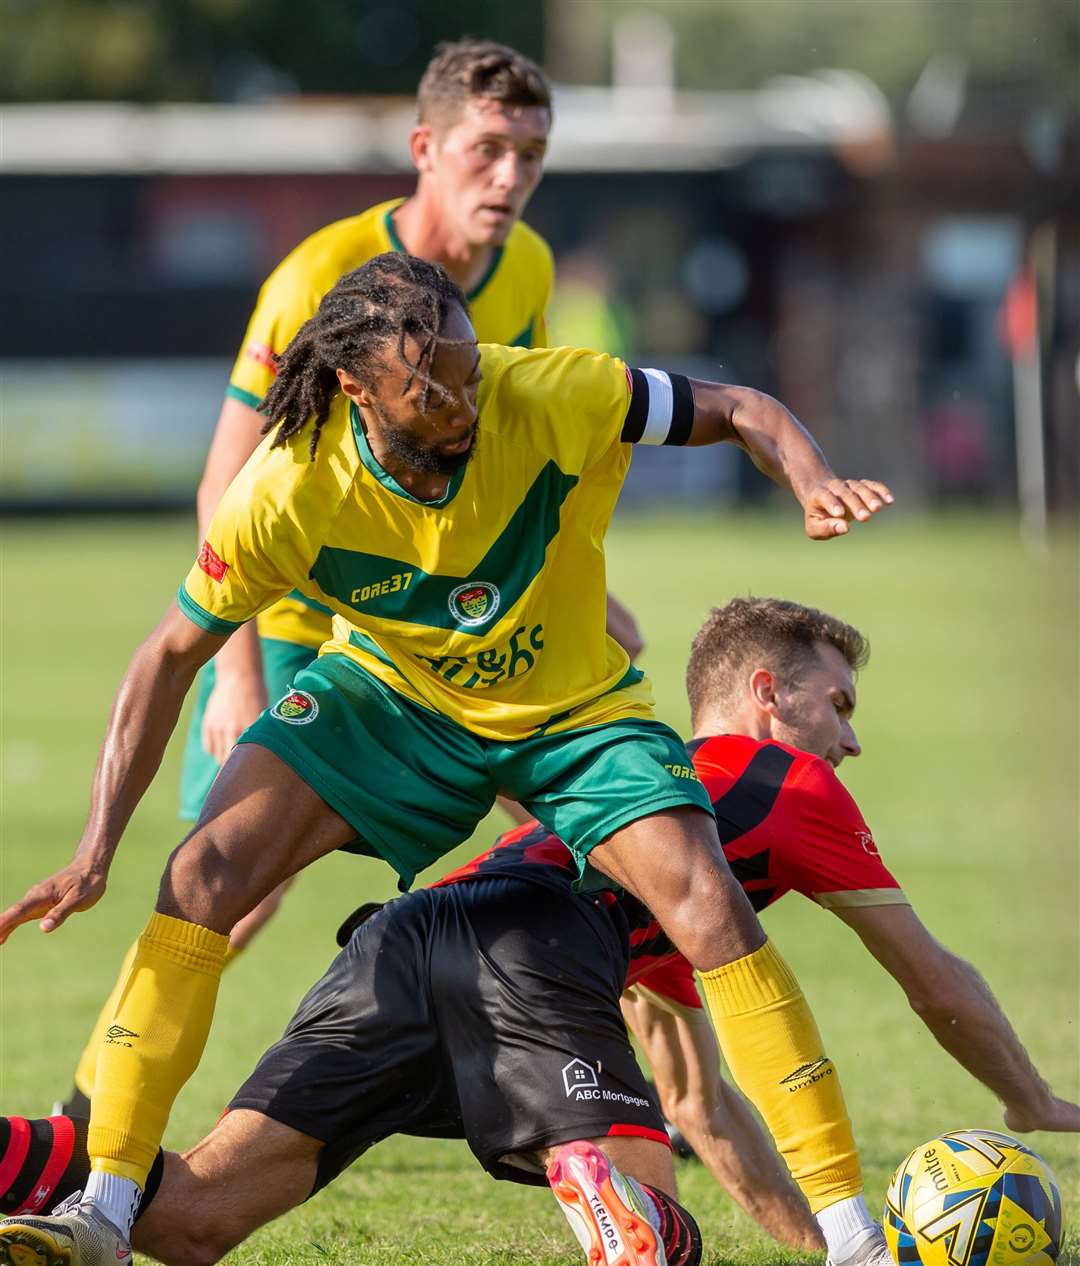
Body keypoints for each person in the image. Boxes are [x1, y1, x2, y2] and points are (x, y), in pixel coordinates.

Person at [0, 254, 894, 1264]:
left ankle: (856, 1241)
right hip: (397, 699)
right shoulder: (289, 489)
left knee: (708, 903)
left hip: (572, 709)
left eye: (469, 368)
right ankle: (105, 1212)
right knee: (202, 874)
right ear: (354, 386)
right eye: (432, 386)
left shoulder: (549, 389)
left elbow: (741, 406)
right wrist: (95, 846)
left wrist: (812, 481)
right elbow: (167, 654)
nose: (466, 397)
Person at [59, 35, 642, 1118]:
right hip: (292, 605)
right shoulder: (317, 284)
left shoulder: (530, 270)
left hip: (433, 612)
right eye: (486, 150)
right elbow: (223, 488)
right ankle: (92, 1121)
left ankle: (642, 1088)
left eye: (530, 152)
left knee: (598, 823)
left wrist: (568, 581)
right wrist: (237, 679)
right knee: (227, 883)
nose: (509, 177)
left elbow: (519, 431)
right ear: (427, 147)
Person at [445, 596, 1080, 1244]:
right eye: (839, 705)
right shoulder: (786, 782)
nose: (853, 742)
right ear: (767, 693)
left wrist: (829, 1247)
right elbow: (934, 981)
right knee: (641, 1203)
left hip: (418, 934)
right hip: (515, 964)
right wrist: (1033, 1100)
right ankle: (572, 1160)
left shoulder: (669, 861)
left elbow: (699, 1105)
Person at [0, 868, 705, 1266]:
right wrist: (822, 1218)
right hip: (526, 944)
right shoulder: (776, 786)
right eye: (824, 703)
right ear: (765, 695)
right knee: (665, 1228)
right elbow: (702, 1101)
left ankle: (9, 1158)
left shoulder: (634, 781)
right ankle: (626, 1217)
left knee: (196, 1218)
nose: (826, 740)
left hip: (394, 936)